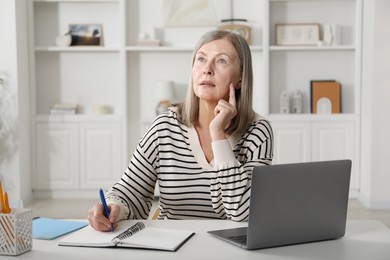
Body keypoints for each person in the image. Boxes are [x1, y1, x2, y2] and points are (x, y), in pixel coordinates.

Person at [88, 30, 273, 231]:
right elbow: (131, 189)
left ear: (240, 78)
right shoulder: (165, 126)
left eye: (221, 61)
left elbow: (244, 211)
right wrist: (113, 206)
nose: (207, 69)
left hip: (231, 247)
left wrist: (218, 135)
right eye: (200, 59)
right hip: (173, 244)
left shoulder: (257, 131)